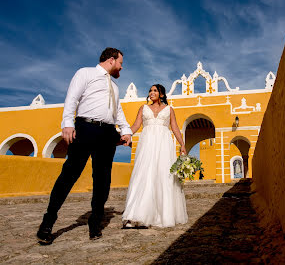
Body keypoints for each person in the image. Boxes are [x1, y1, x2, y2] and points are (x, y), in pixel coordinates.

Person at [36, 47, 132, 244]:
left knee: (103, 179)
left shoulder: (114, 87)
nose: (121, 67)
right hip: (85, 127)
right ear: (112, 60)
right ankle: (48, 221)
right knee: (70, 173)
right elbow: (72, 98)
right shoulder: (85, 73)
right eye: (120, 63)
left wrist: (125, 130)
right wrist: (68, 124)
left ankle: (95, 222)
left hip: (107, 133)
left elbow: (117, 110)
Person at [122, 84, 188, 228]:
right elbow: (136, 125)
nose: (151, 93)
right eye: (150, 91)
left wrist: (182, 144)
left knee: (163, 176)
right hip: (147, 144)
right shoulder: (143, 108)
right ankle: (135, 215)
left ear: (162, 94)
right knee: (144, 175)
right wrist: (127, 135)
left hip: (164, 145)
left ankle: (161, 215)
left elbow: (175, 127)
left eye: (155, 91)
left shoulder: (169, 109)